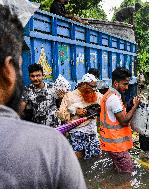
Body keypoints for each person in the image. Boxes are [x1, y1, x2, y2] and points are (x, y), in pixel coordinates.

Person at [0, 5, 86, 188]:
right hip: (39, 130)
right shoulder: (27, 92)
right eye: (32, 76)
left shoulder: (52, 87)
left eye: (38, 75)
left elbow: (64, 99)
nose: (36, 78)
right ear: (9, 70)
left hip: (55, 128)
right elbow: (21, 110)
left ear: (43, 75)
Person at [99, 67, 140, 173]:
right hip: (117, 145)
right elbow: (124, 121)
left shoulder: (108, 95)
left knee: (118, 171)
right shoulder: (113, 99)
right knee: (127, 174)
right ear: (116, 83)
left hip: (111, 143)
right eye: (125, 84)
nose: (127, 87)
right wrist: (135, 106)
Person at [58, 73, 103, 159]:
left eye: (95, 87)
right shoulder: (70, 96)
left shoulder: (96, 94)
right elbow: (61, 115)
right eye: (92, 87)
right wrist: (75, 112)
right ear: (84, 84)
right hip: (76, 131)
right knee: (77, 157)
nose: (94, 89)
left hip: (92, 130)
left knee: (96, 156)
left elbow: (105, 102)